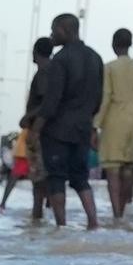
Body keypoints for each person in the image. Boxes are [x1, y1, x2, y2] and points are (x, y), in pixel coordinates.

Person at [33, 15, 104, 230]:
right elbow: (98, 99)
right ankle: (93, 222)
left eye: (54, 30)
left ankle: (61, 226)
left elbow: (52, 100)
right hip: (83, 127)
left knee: (56, 178)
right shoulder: (95, 58)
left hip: (58, 130)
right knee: (80, 177)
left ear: (65, 29)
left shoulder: (61, 60)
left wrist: (37, 129)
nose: (52, 35)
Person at [97, 27, 133, 221]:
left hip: (113, 123)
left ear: (113, 44)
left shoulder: (109, 68)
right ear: (130, 44)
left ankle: (116, 213)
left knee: (113, 171)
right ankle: (123, 207)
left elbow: (106, 97)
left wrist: (96, 124)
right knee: (129, 170)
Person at [4, 37, 52, 215]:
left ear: (36, 52)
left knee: (39, 181)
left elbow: (47, 103)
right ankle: (40, 217)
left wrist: (28, 117)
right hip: (45, 132)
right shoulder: (52, 72)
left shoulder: (43, 74)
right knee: (41, 180)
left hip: (38, 132)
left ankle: (37, 216)